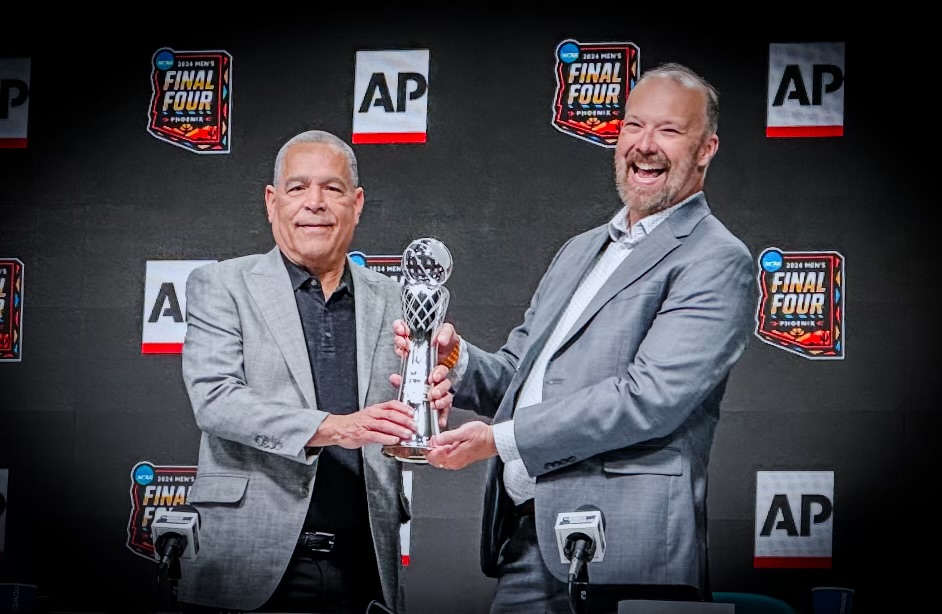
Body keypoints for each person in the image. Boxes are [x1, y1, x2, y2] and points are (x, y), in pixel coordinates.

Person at [398, 62, 758, 612]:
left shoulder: (715, 258)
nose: (645, 145)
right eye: (634, 126)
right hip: (527, 540)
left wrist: (500, 440)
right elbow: (520, 377)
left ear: (706, 148)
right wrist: (454, 358)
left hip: (628, 552)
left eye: (669, 130)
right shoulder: (579, 251)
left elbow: (649, 399)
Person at [178, 129, 452, 614]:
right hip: (250, 558)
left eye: (333, 188)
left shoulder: (396, 297)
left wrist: (437, 387)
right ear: (272, 201)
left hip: (364, 562)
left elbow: (442, 367)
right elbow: (216, 400)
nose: (315, 203)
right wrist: (335, 428)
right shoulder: (221, 284)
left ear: (358, 202)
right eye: (298, 187)